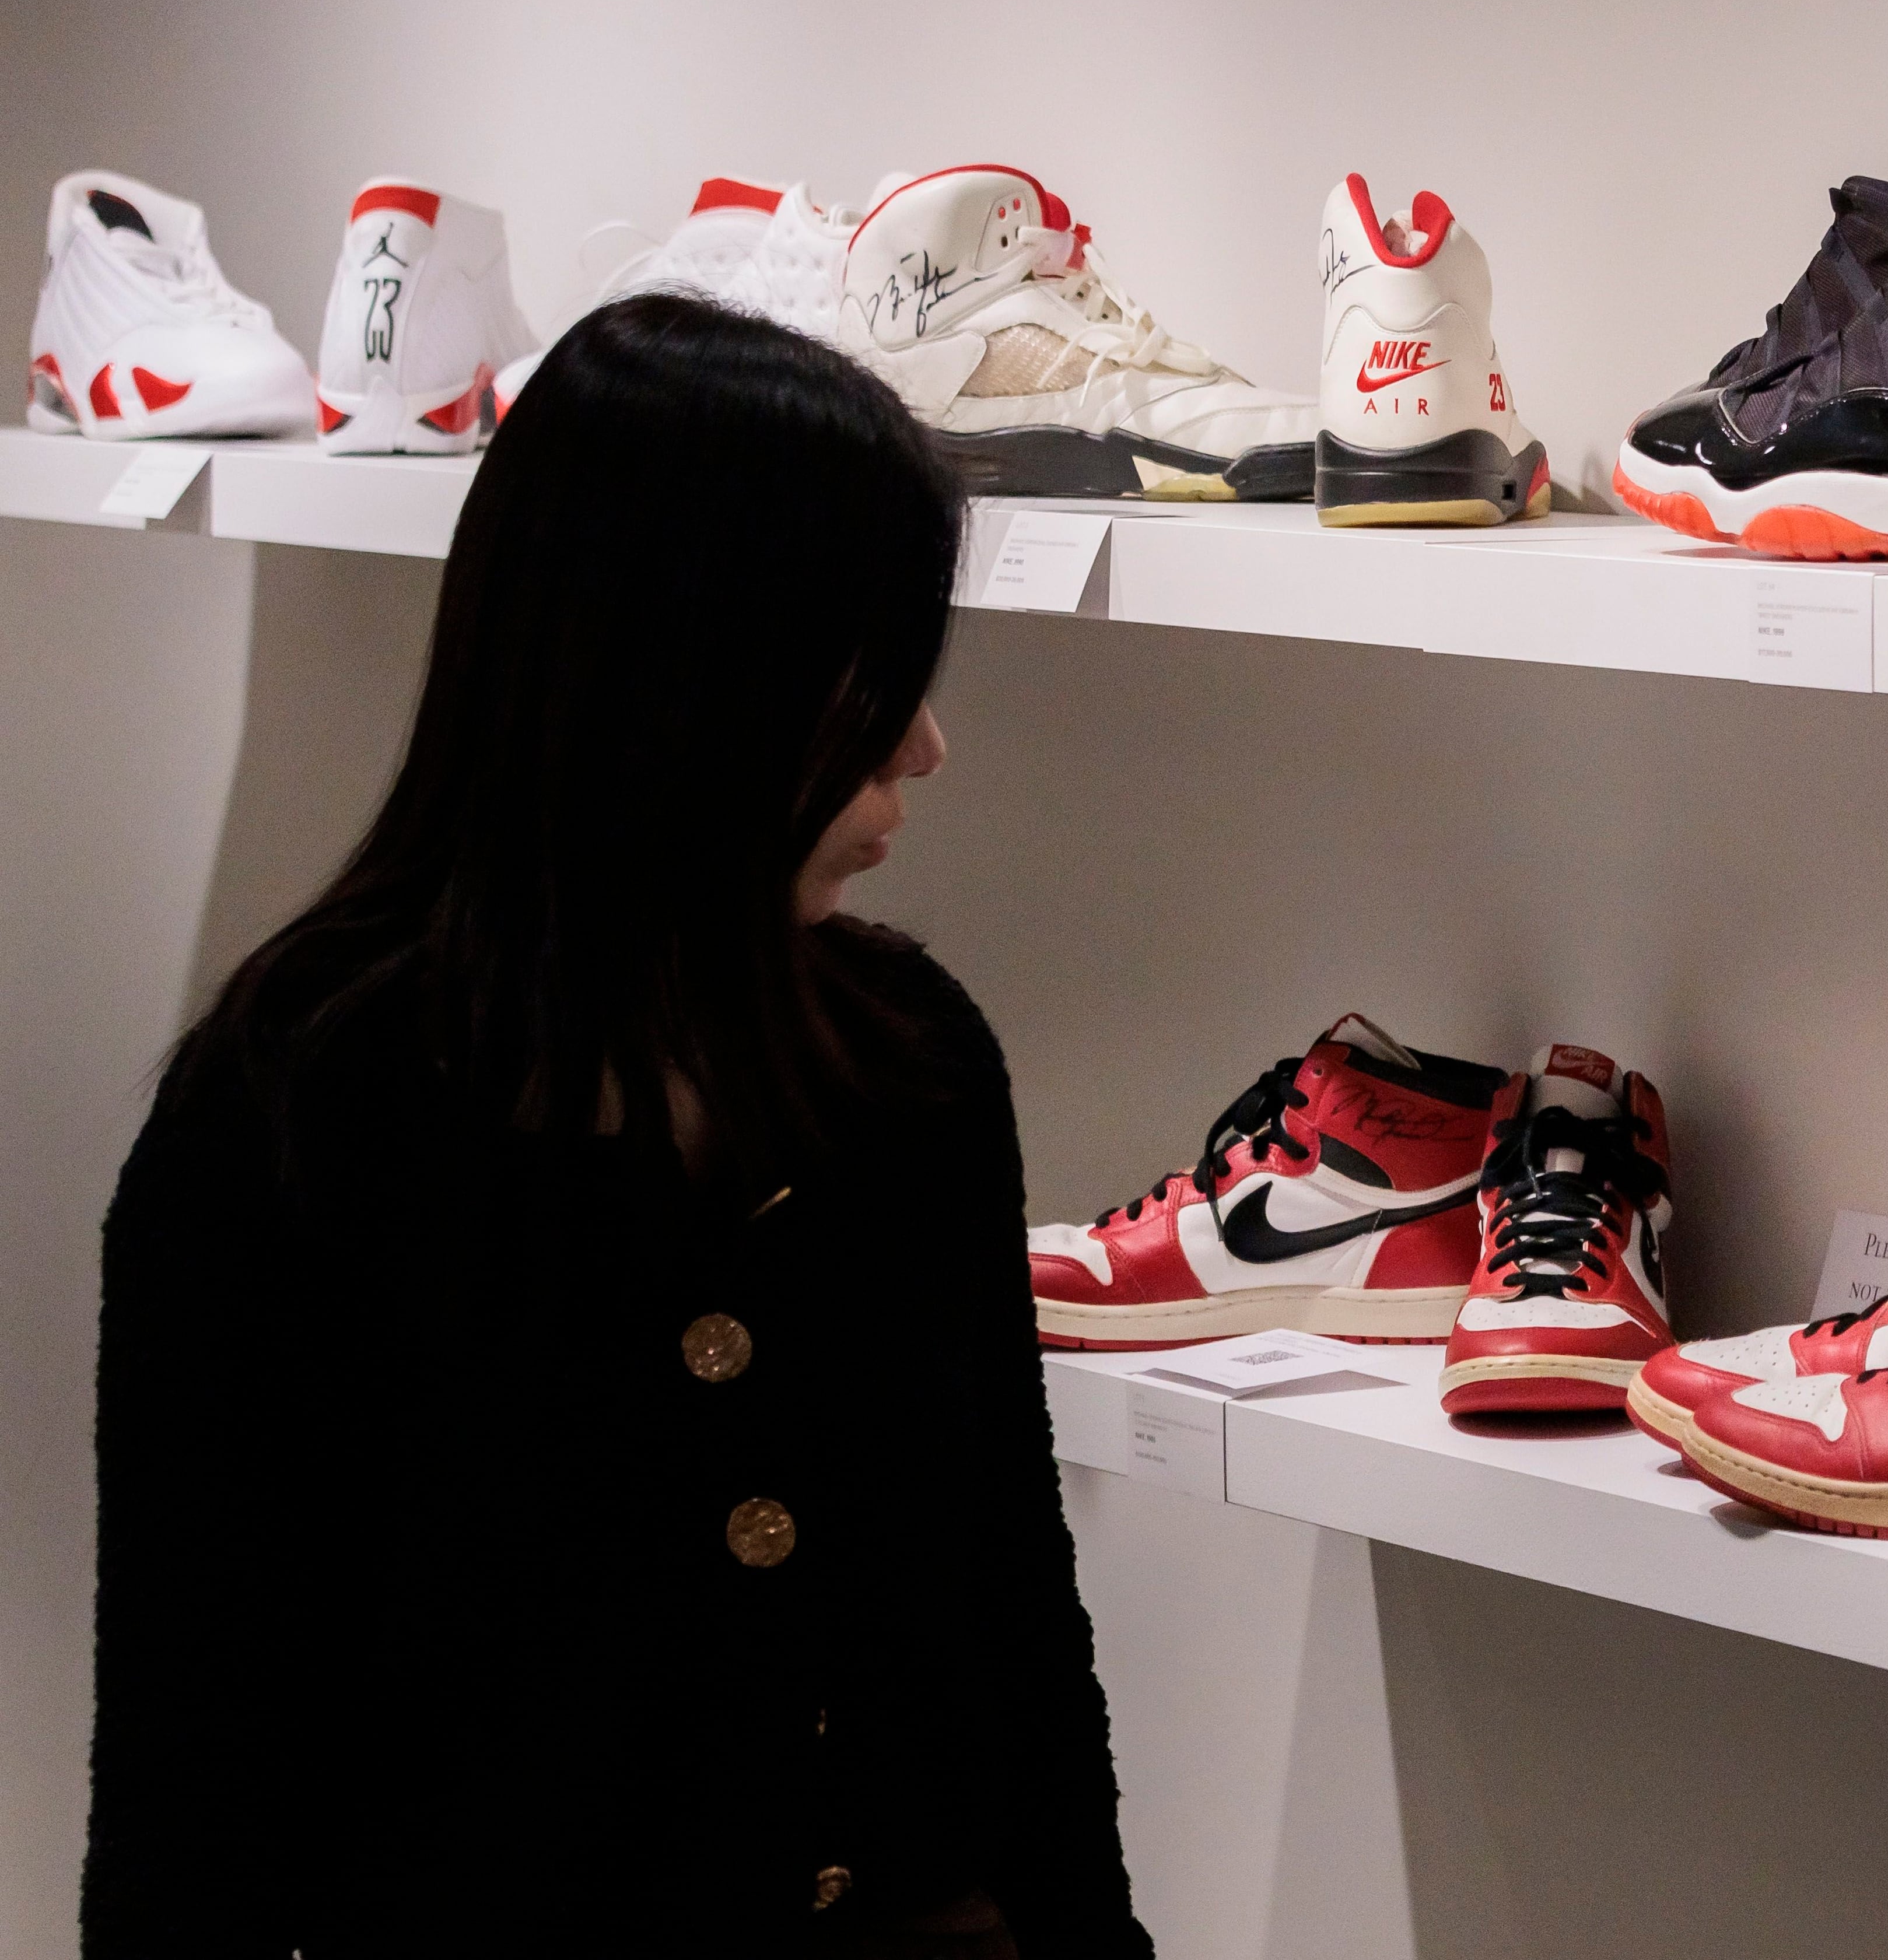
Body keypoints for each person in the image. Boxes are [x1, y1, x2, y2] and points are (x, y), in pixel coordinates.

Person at [85, 294, 1150, 1959]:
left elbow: (1015, 1626)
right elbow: (192, 1790)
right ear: (689, 679)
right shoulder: (292, 1126)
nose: (926, 747)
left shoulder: (909, 1061)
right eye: (870, 679)